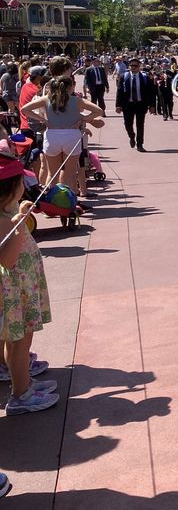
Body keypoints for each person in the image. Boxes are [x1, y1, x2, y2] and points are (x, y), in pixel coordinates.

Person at [0, 149, 58, 415]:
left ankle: (20, 379)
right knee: (19, 340)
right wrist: (21, 222)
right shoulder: (5, 220)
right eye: (21, 181)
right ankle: (20, 394)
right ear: (11, 189)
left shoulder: (7, 210)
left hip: (22, 287)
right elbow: (8, 260)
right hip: (15, 290)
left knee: (19, 339)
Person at [20, 73, 103, 190]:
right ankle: (70, 203)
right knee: (70, 173)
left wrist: (42, 119)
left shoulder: (47, 99)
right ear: (70, 87)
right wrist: (83, 118)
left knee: (52, 173)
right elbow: (98, 111)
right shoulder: (76, 100)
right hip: (71, 134)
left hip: (52, 135)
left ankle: (51, 202)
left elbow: (25, 109)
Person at [115, 57, 156, 152]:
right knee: (128, 124)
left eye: (135, 66)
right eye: (131, 66)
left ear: (139, 67)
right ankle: (132, 136)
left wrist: (152, 106)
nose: (133, 67)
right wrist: (118, 105)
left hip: (141, 104)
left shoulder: (145, 77)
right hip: (128, 105)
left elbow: (151, 92)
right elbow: (119, 92)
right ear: (129, 66)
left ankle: (140, 144)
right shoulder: (123, 76)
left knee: (140, 125)